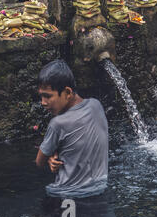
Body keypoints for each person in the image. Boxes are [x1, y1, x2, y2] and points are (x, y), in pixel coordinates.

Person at [35, 59, 109, 198]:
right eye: (41, 96)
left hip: (67, 197)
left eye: (48, 96)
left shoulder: (57, 123)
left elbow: (39, 162)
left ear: (67, 92)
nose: (43, 103)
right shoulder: (96, 106)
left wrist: (50, 157)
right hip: (100, 192)